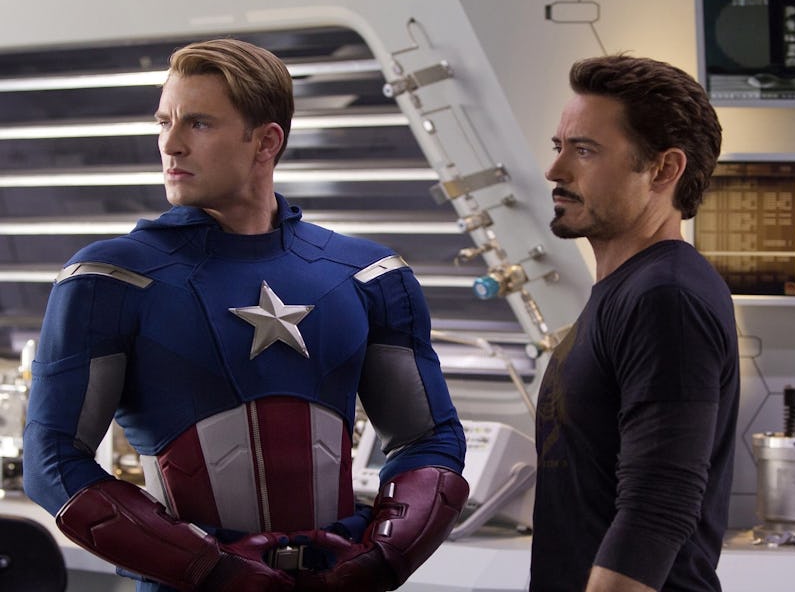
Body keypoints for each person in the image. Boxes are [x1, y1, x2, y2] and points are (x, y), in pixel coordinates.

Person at [23, 38, 468, 592]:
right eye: (164, 122)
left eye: (199, 123)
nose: (171, 144)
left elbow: (429, 441)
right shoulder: (110, 280)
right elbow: (52, 462)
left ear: (266, 141)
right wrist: (213, 569)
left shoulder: (368, 276)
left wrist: (379, 561)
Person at [530, 55, 739, 591]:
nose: (555, 170)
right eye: (559, 146)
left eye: (584, 150)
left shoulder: (666, 298)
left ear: (664, 170)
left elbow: (658, 506)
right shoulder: (630, 290)